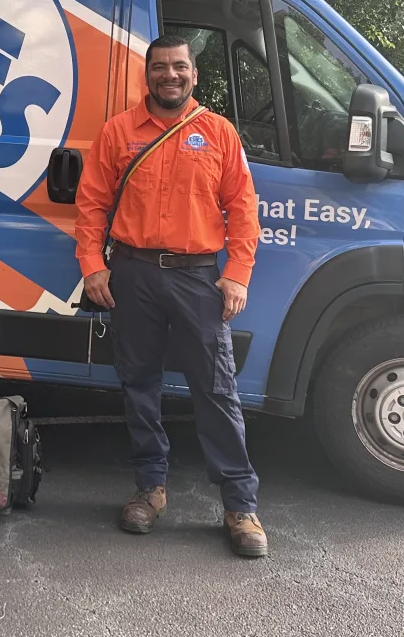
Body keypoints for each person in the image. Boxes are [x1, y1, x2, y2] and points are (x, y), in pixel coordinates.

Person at [74, 34, 267, 558]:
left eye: (179, 67)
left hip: (199, 278)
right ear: (147, 76)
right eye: (159, 67)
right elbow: (91, 204)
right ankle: (149, 489)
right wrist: (93, 266)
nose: (169, 75)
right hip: (132, 275)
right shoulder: (118, 132)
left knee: (217, 389)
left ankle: (239, 505)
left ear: (193, 75)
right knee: (139, 383)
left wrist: (238, 274)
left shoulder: (218, 132)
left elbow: (243, 209)